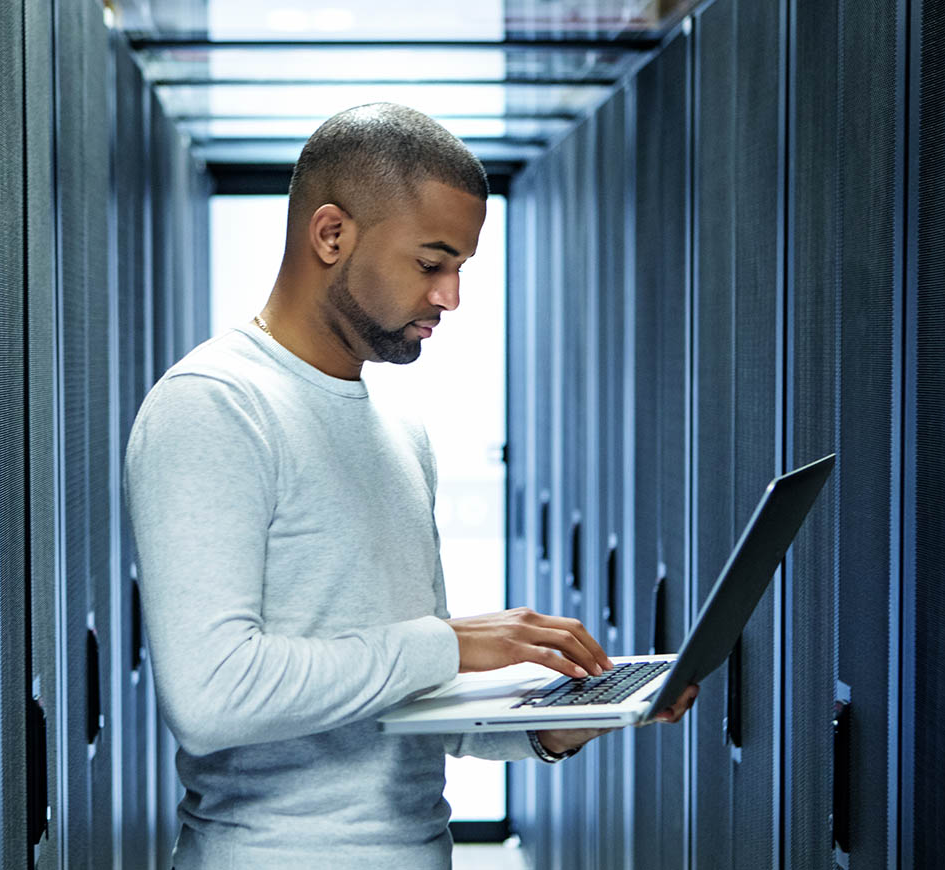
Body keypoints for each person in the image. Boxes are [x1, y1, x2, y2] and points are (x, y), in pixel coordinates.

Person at [124, 102, 697, 870]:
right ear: (331, 235)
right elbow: (212, 696)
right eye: (432, 263)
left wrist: (552, 729)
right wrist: (449, 643)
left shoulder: (399, 430)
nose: (451, 297)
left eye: (461, 267)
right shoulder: (212, 406)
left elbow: (406, 698)